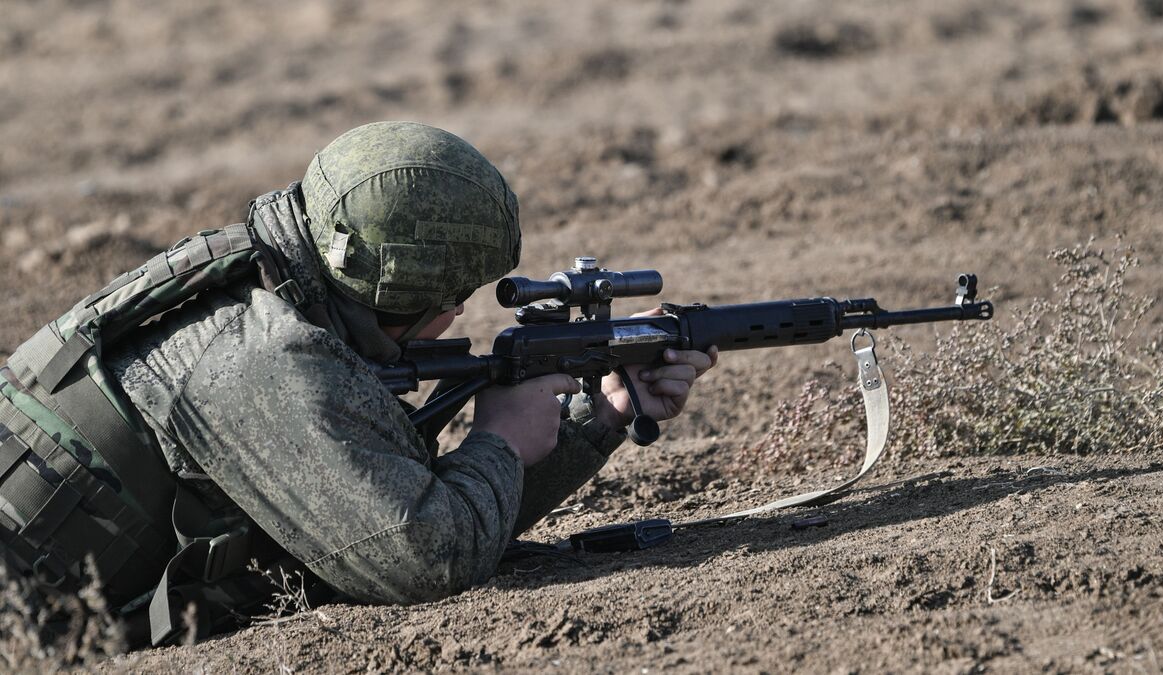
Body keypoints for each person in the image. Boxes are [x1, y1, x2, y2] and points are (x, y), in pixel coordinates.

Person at [0, 121, 716, 646]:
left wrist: (603, 413)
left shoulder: (280, 283)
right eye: (454, 296)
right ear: (403, 297)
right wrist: (497, 437)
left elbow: (396, 509)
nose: (461, 310)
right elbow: (425, 553)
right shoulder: (266, 360)